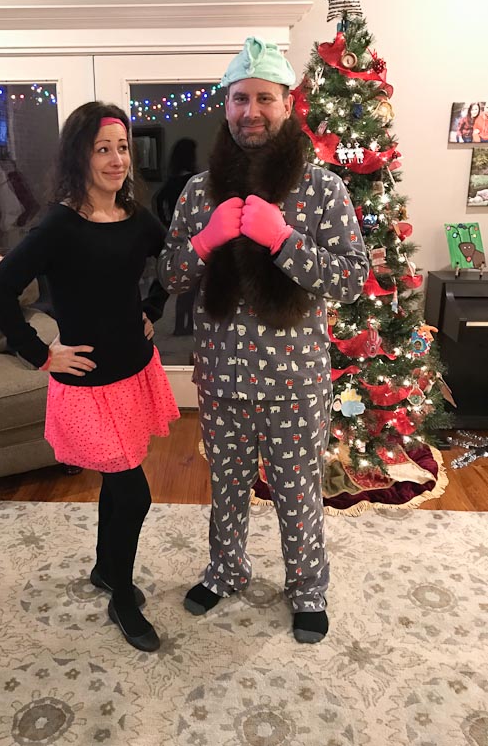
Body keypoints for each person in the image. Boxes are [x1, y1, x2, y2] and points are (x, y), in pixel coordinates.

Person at [158, 37, 369, 644]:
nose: (251, 111)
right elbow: (170, 277)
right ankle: (226, 571)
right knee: (225, 486)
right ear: (227, 106)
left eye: (264, 99)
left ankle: (306, 588)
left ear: (288, 104)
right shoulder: (199, 192)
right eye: (240, 99)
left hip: (294, 380)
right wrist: (205, 241)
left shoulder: (322, 189)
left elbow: (352, 280)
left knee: (297, 492)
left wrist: (284, 241)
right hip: (221, 377)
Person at [0, 101, 180, 653]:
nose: (117, 160)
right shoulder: (59, 224)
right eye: (102, 149)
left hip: (135, 371)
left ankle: (104, 569)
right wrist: (40, 354)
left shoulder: (136, 217)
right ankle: (121, 597)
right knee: (133, 494)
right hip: (90, 384)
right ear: (79, 156)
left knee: (119, 480)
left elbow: (173, 263)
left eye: (122, 148)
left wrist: (152, 307)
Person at [154, 138, 199, 336]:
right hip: (193, 236)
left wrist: (166, 222)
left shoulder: (172, 182)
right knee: (191, 286)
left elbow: (158, 200)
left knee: (184, 285)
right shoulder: (194, 182)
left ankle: (181, 325)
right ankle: (186, 325)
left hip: (179, 234)